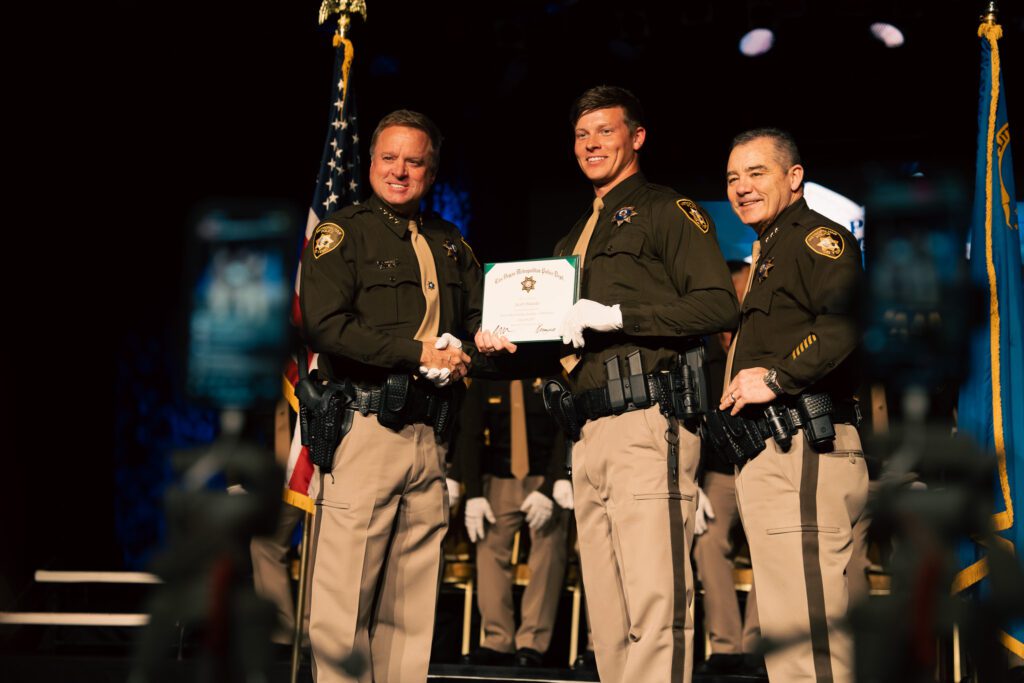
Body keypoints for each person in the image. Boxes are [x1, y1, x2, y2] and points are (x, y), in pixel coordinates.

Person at [479, 85, 739, 682]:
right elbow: (552, 341)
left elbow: (718, 307)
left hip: (648, 421)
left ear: (637, 137)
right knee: (608, 606)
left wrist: (622, 316)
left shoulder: (667, 210)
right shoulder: (571, 239)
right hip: (588, 432)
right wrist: (483, 350)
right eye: (581, 134)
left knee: (654, 599)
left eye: (605, 130)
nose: (592, 143)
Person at [299, 109, 483, 683]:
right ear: (371, 162)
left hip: (430, 437)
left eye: (415, 161)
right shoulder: (343, 233)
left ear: (431, 171)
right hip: (365, 429)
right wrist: (419, 352)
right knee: (344, 603)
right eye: (389, 158)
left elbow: (479, 321)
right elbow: (326, 328)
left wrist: (492, 342)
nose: (400, 171)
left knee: (410, 609)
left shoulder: (451, 243)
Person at [721, 128, 867, 683]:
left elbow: (845, 321)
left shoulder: (815, 239)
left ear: (794, 177)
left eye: (756, 173)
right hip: (778, 450)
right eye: (733, 177)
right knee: (792, 634)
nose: (741, 187)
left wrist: (778, 377)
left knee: (811, 636)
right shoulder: (771, 248)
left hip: (804, 446)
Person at [450, 377, 571, 668]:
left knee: (549, 549)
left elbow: (565, 430)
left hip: (545, 475)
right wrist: (474, 495)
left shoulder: (551, 369)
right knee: (489, 547)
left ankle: (532, 642)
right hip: (500, 476)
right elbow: (470, 435)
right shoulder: (487, 376)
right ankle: (497, 640)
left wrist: (551, 487)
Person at [693, 260, 762, 675]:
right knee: (707, 540)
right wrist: (695, 482)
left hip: (760, 464)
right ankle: (726, 645)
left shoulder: (765, 341)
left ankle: (756, 643)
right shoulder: (703, 349)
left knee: (769, 547)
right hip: (717, 473)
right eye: (734, 294)